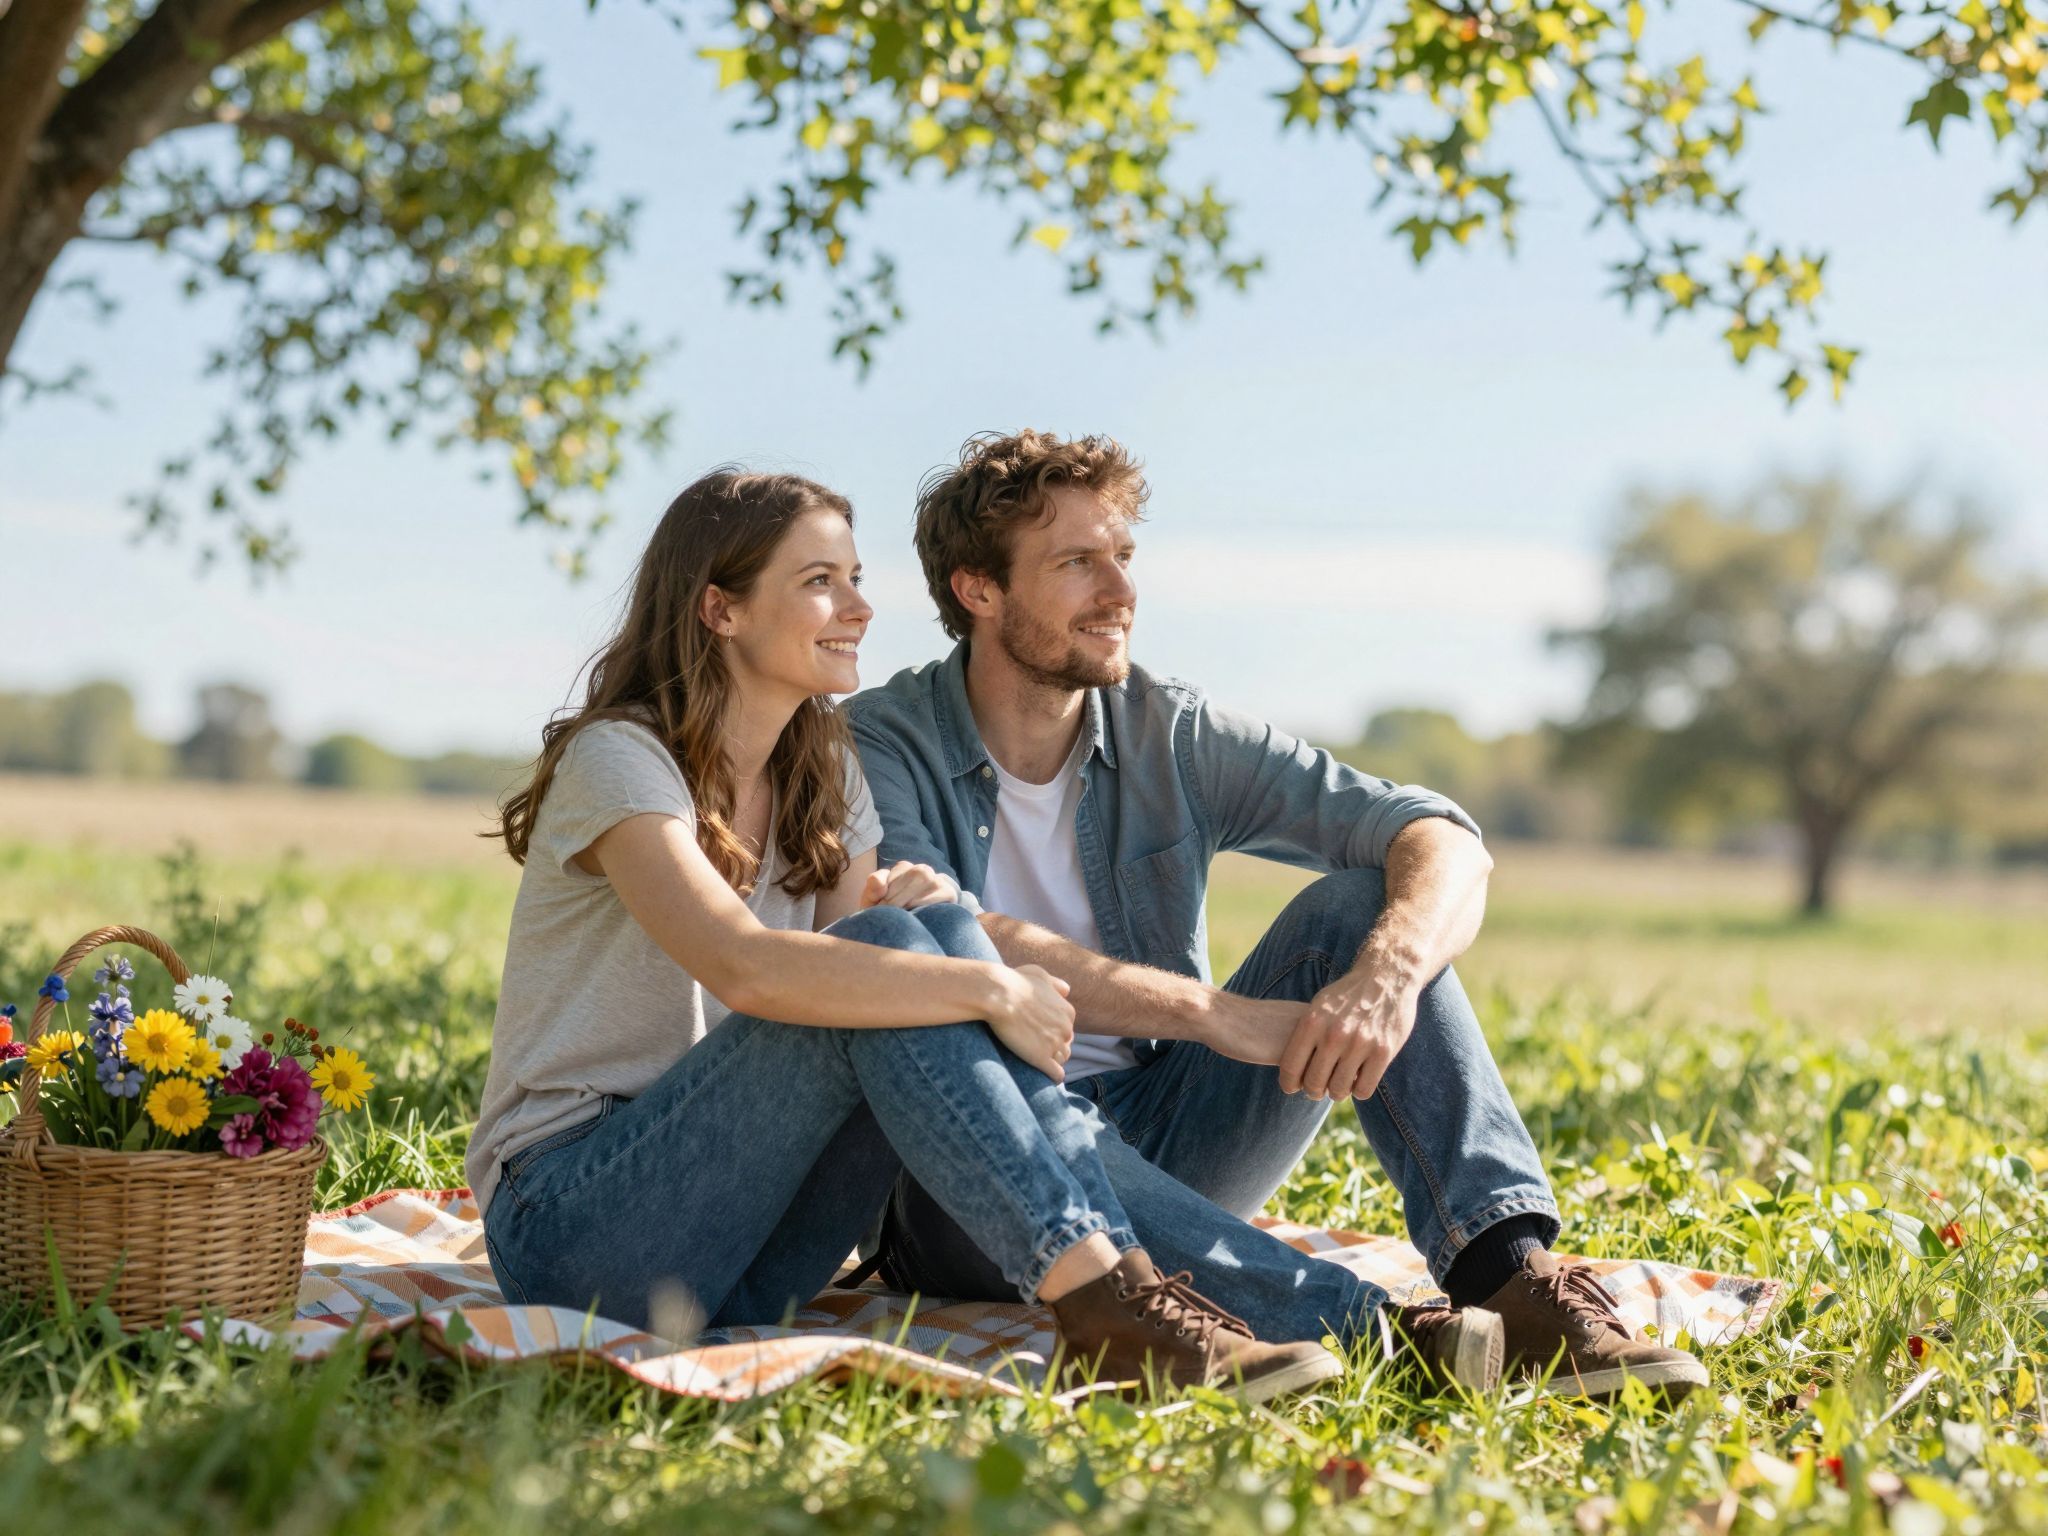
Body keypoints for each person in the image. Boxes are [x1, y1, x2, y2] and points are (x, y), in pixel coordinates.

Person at [466, 467, 1496, 1403]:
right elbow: (745, 965)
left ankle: (1441, 1279)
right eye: (820, 581)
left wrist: (938, 935)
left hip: (753, 1260)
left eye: (856, 577)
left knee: (914, 936)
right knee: (910, 953)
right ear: (720, 608)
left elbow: (867, 987)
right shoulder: (622, 758)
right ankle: (1197, 1309)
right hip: (578, 1225)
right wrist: (991, 986)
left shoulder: (824, 778)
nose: (861, 608)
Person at [846, 431, 1709, 1402]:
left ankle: (1510, 1280)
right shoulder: (880, 741)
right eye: (1076, 563)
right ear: (978, 590)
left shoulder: (1165, 729)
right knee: (1006, 1079)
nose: (1119, 592)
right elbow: (930, 930)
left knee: (1358, 907)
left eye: (1122, 557)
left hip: (1163, 1130)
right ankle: (1378, 1333)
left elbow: (1441, 839)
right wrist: (1215, 1015)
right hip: (972, 1174)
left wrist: (1382, 978)